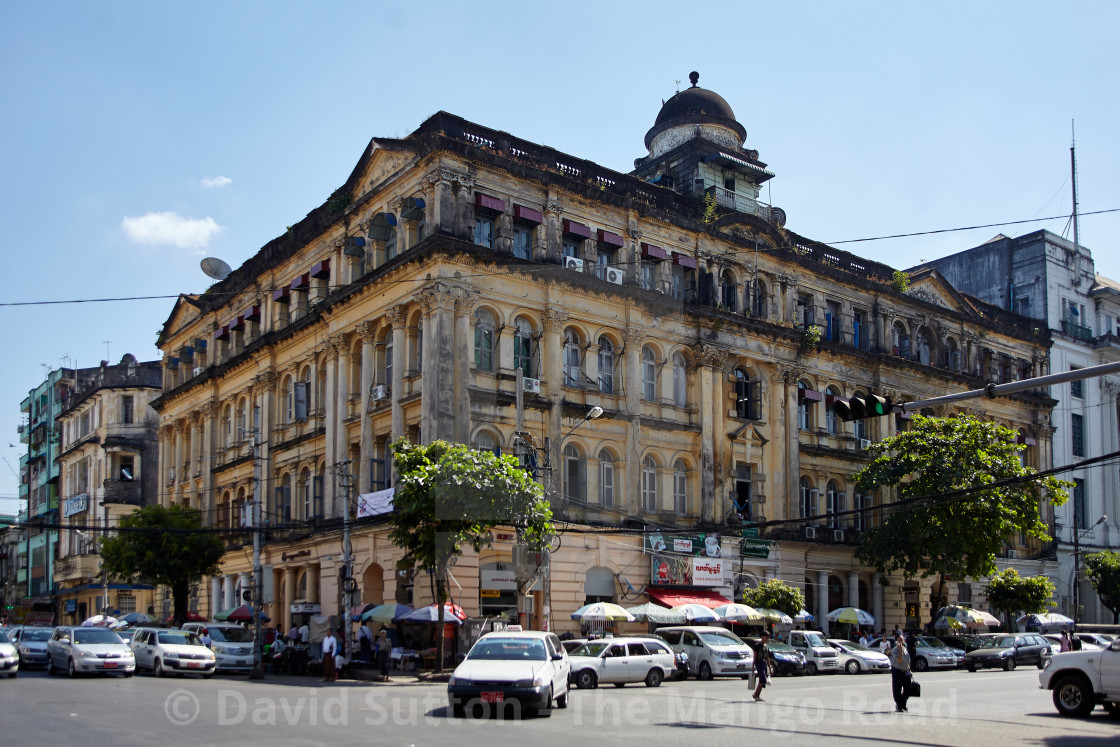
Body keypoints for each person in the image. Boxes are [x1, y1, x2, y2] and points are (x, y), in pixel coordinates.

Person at [890, 633, 911, 712]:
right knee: (897, 691)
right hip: (897, 671)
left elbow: (907, 660)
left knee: (908, 689)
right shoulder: (895, 650)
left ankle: (902, 703)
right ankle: (899, 705)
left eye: (902, 640)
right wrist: (900, 650)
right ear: (896, 641)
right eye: (899, 640)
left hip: (906, 671)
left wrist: (909, 669)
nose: (901, 642)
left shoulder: (905, 648)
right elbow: (899, 660)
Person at [752, 631, 773, 701]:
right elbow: (755, 656)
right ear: (762, 637)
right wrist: (753, 665)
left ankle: (757, 695)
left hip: (764, 663)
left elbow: (767, 657)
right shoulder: (757, 645)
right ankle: (755, 694)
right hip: (759, 663)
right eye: (765, 638)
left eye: (767, 638)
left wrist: (770, 668)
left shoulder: (766, 647)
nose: (766, 639)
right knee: (763, 679)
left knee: (763, 680)